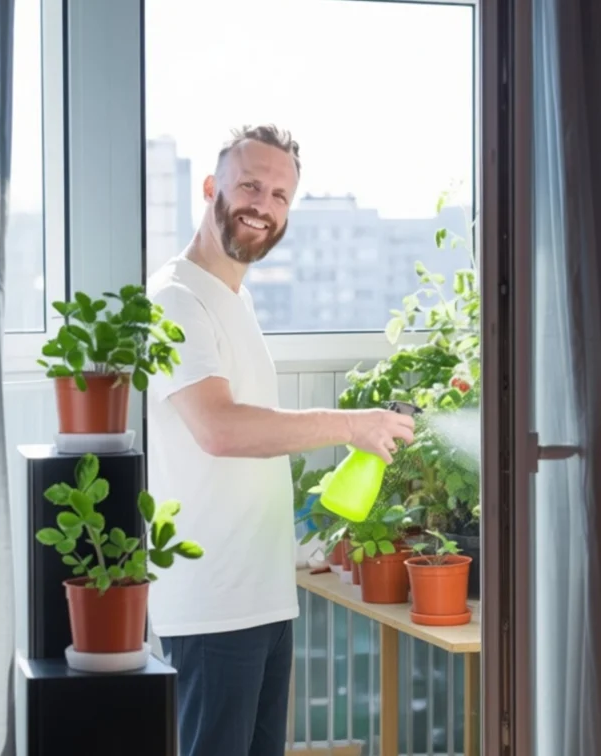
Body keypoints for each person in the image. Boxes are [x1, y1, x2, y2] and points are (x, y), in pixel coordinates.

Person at [145, 125, 415, 756]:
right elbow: (219, 429)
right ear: (210, 188)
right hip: (213, 607)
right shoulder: (174, 300)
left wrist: (295, 545)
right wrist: (350, 425)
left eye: (279, 195)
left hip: (263, 599)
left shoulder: (235, 302)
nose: (263, 206)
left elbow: (244, 460)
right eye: (249, 186)